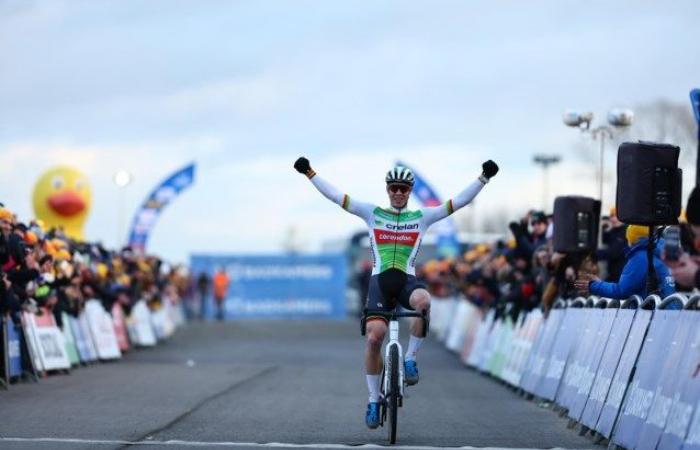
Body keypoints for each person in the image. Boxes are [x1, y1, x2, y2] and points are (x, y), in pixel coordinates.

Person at [293, 156, 499, 429]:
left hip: (406, 282)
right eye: (394, 188)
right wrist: (309, 172)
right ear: (388, 190)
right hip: (379, 283)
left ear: (410, 191)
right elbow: (336, 196)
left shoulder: (422, 217)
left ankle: (411, 358)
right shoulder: (372, 213)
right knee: (374, 339)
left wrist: (483, 178)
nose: (399, 193)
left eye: (404, 188)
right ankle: (374, 399)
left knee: (423, 301)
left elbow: (458, 202)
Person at [574, 224, 675, 299]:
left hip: (653, 317)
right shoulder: (661, 250)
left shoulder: (640, 257)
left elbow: (622, 291)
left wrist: (595, 286)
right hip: (668, 314)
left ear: (632, 239)